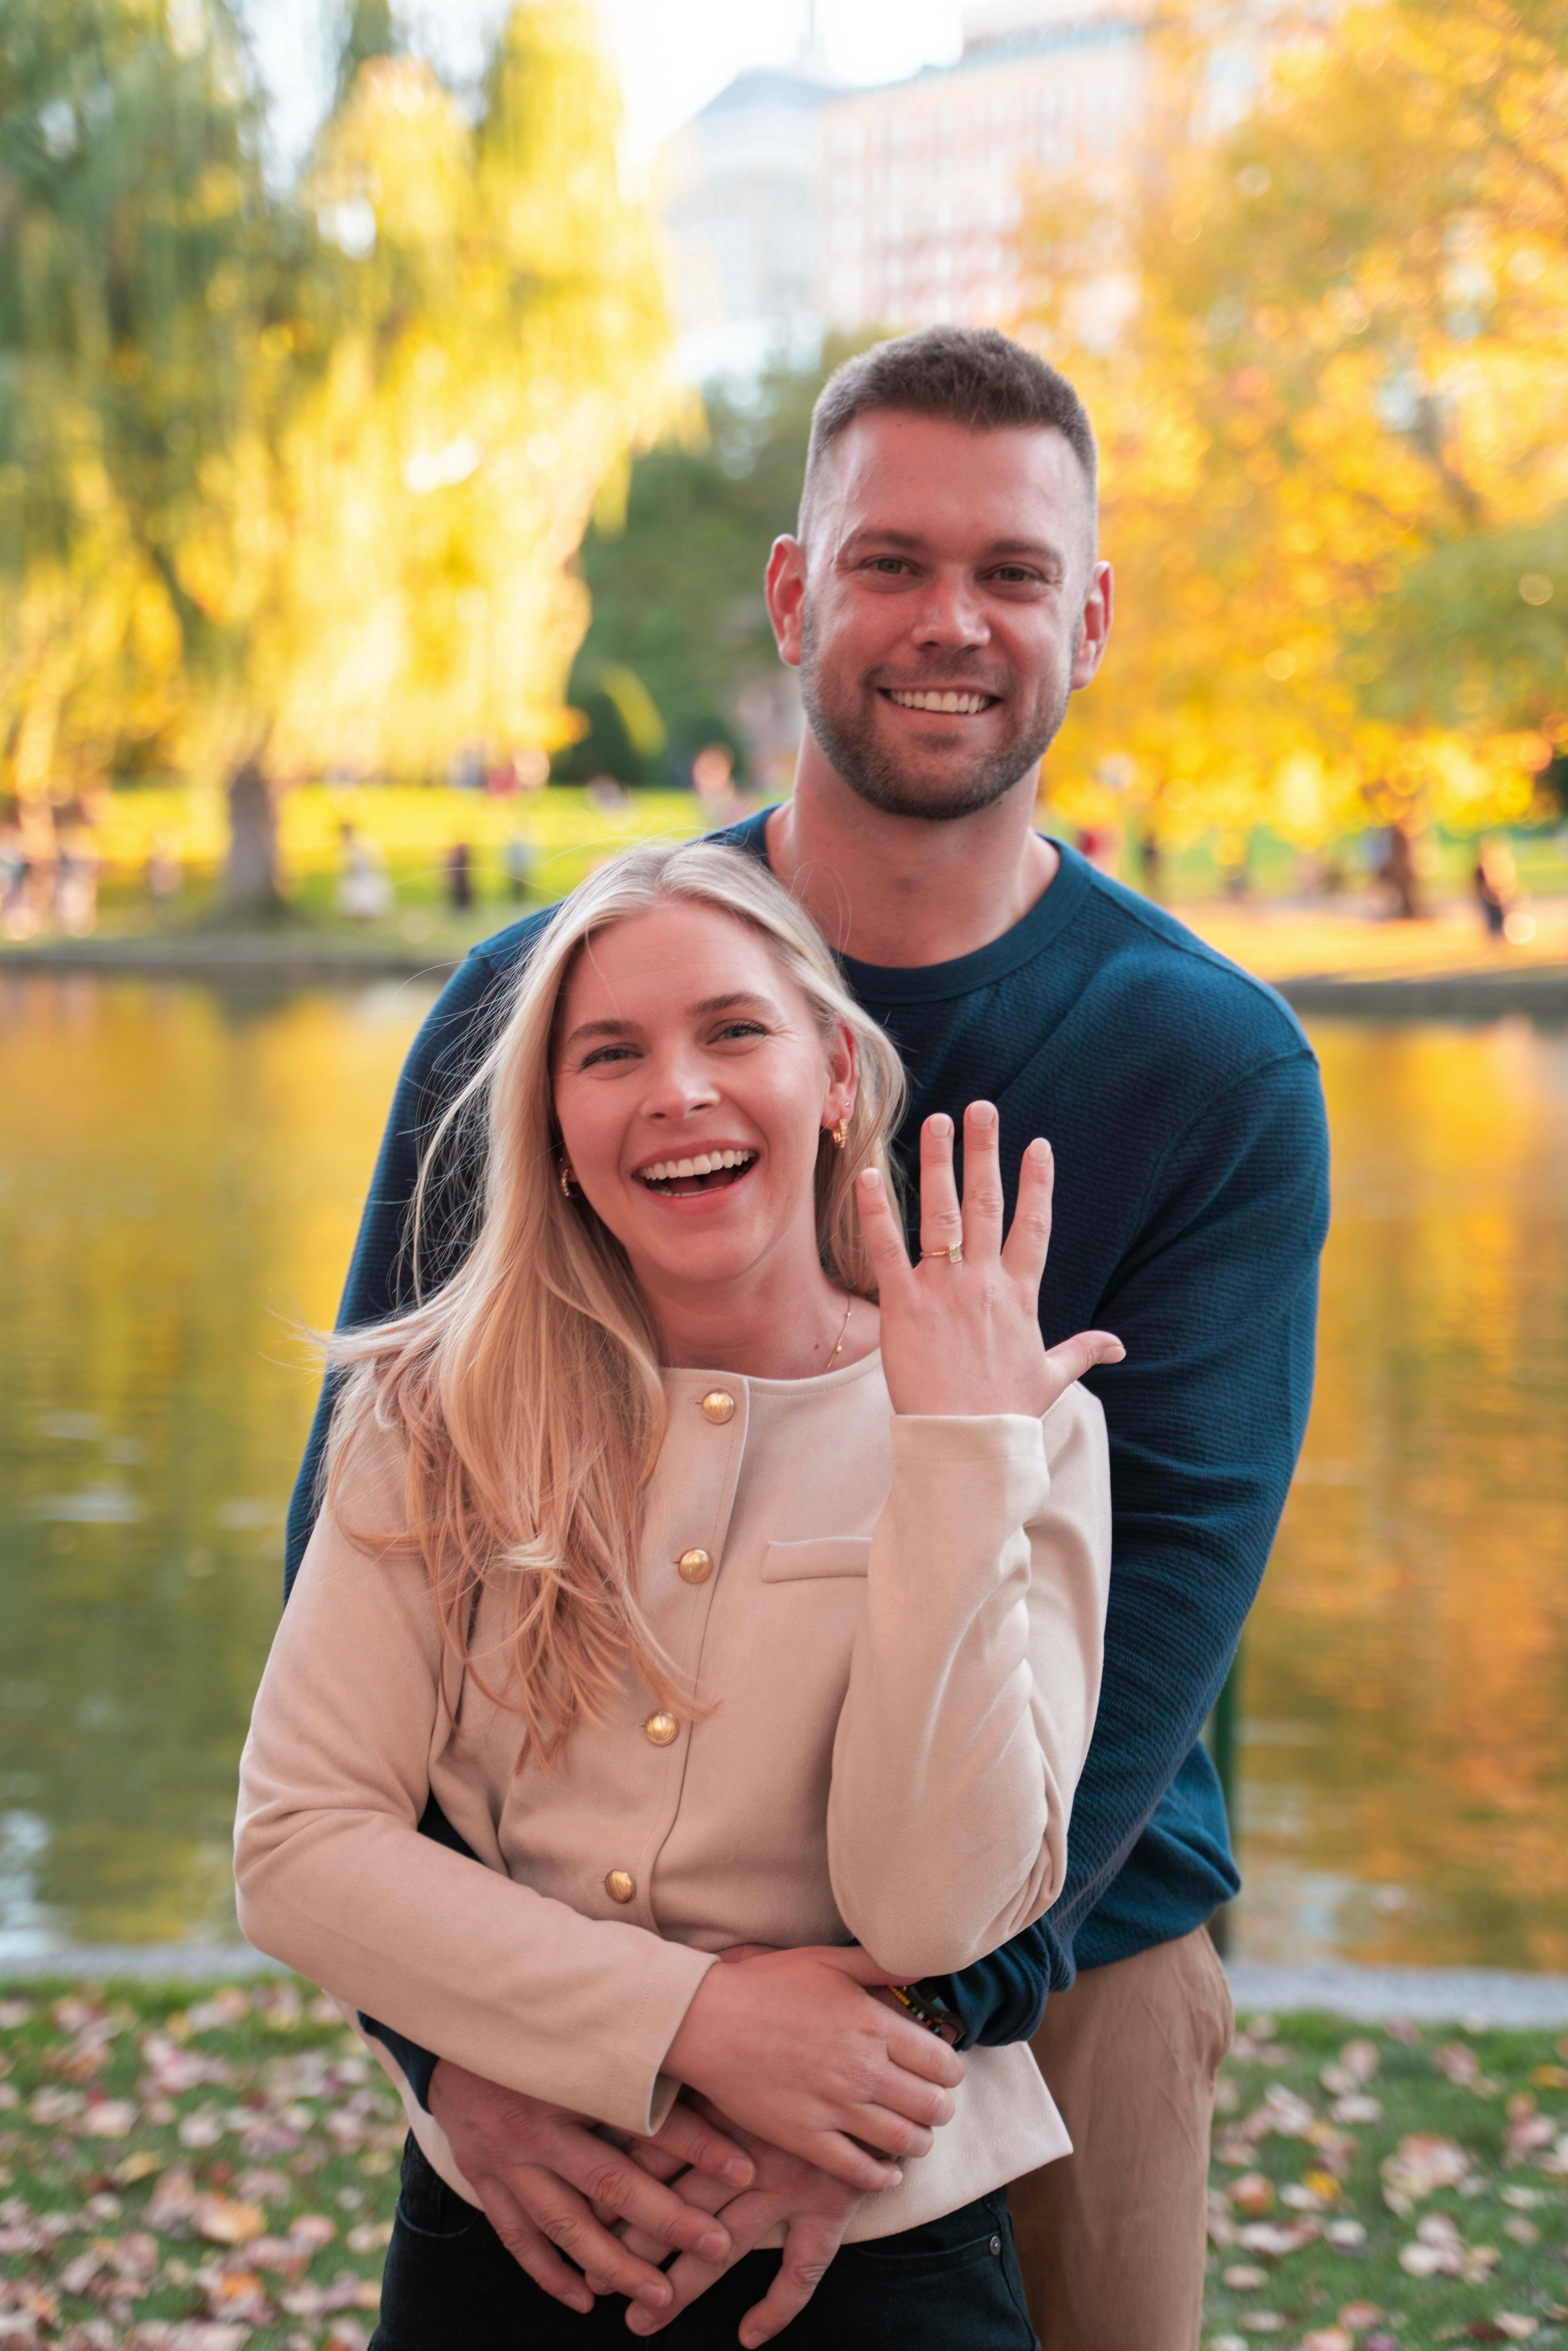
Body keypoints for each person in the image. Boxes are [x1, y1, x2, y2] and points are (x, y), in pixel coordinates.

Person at [284, 325, 1329, 2350]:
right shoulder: (540, 1013)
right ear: (794, 591)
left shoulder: (1206, 1067)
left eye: (1013, 572)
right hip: (565, 1929)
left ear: (1089, 614)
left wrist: (874, 2062)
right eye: (889, 561)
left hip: (1064, 1944)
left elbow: (1158, 1634)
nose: (950, 621)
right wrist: (455, 2044)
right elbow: (359, 1532)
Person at [239, 839, 1118, 2349]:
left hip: (877, 2246)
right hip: (506, 2223)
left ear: (835, 1071)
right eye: (609, 1053)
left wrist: (958, 1457)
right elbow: (300, 1843)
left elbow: (932, 1907)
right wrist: (690, 2021)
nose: (678, 1090)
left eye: (732, 1031)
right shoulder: (430, 1411)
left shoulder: (1018, 1429)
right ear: (558, 1127)